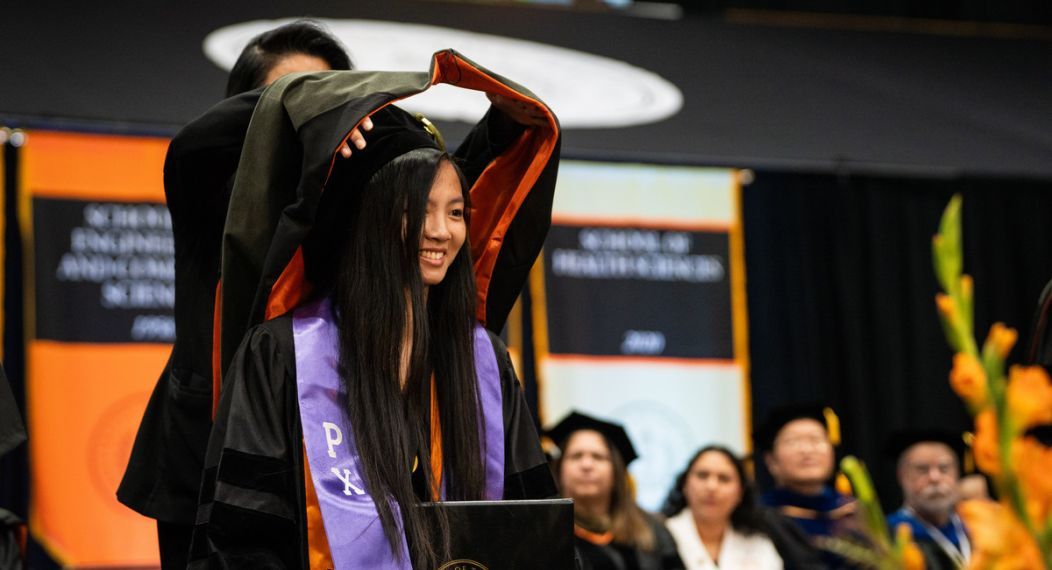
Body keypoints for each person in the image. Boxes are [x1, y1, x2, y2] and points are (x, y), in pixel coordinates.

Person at [118, 20, 550, 569]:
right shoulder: (219, 184)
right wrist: (310, 113)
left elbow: (433, 190)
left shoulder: (356, 198)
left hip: (345, 408)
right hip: (215, 450)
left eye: (329, 92)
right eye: (295, 92)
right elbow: (194, 145)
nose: (321, 111)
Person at [549, 411, 684, 570]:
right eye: (576, 456)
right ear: (559, 470)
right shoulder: (545, 534)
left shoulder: (653, 529)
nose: (586, 465)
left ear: (616, 472)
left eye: (598, 457)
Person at [756, 404, 858, 568]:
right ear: (771, 461)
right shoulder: (759, 516)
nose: (807, 450)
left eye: (816, 440)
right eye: (792, 441)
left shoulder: (854, 512)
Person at [661, 445, 782, 569]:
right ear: (685, 485)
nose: (711, 487)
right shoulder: (661, 537)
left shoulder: (758, 545)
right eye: (702, 475)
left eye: (724, 479)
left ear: (740, 492)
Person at [885, 430, 971, 570]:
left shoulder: (976, 531)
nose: (934, 478)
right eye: (922, 469)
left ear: (957, 474)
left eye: (944, 468)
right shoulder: (887, 536)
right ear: (902, 476)